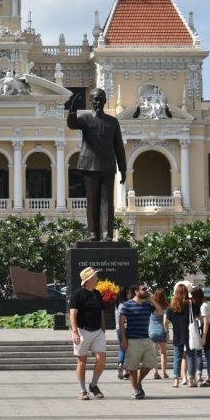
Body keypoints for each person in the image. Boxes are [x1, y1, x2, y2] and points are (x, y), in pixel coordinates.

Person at [66, 88, 127, 242]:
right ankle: (94, 233)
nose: (98, 102)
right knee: (92, 201)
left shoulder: (112, 121)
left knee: (107, 202)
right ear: (90, 101)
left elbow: (119, 146)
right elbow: (72, 124)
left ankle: (107, 235)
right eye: (95, 99)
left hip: (107, 166)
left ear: (105, 101)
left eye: (100, 99)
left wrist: (123, 168)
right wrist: (72, 110)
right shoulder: (85, 118)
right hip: (89, 165)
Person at [69, 267, 107, 400]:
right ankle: (82, 390)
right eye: (95, 275)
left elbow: (101, 312)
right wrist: (75, 332)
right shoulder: (78, 294)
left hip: (97, 331)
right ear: (89, 279)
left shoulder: (97, 293)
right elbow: (73, 313)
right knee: (82, 362)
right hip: (82, 330)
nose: (97, 276)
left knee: (101, 358)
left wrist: (103, 328)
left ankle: (93, 385)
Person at [118, 283, 155, 399]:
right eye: (144, 289)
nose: (146, 291)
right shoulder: (127, 305)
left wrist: (151, 299)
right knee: (132, 367)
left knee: (150, 364)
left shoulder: (147, 305)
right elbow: (121, 323)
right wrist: (124, 339)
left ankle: (138, 382)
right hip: (133, 339)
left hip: (146, 338)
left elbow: (160, 311)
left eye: (147, 289)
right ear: (136, 291)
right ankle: (135, 390)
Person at [163, 283, 196, 388]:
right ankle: (191, 380)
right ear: (186, 293)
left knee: (177, 357)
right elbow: (196, 318)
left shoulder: (171, 307)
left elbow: (165, 321)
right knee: (191, 357)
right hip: (190, 335)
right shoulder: (190, 305)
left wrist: (167, 332)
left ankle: (176, 381)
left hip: (177, 335)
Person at [191, 286, 210, 386]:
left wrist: (204, 337)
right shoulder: (208, 303)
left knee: (208, 355)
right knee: (209, 355)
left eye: (192, 297)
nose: (191, 299)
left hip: (208, 331)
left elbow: (206, 322)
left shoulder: (203, 306)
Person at [148, 288, 169, 380]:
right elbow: (166, 321)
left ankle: (155, 373)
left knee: (154, 354)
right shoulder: (166, 307)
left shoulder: (151, 306)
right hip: (162, 331)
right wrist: (167, 332)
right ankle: (164, 372)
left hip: (152, 331)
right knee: (163, 353)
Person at [115, 286, 135, 380]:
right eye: (130, 293)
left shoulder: (118, 305)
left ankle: (120, 363)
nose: (131, 295)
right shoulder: (127, 305)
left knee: (122, 348)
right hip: (126, 329)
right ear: (126, 294)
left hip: (118, 329)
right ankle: (127, 371)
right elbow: (125, 319)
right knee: (129, 349)